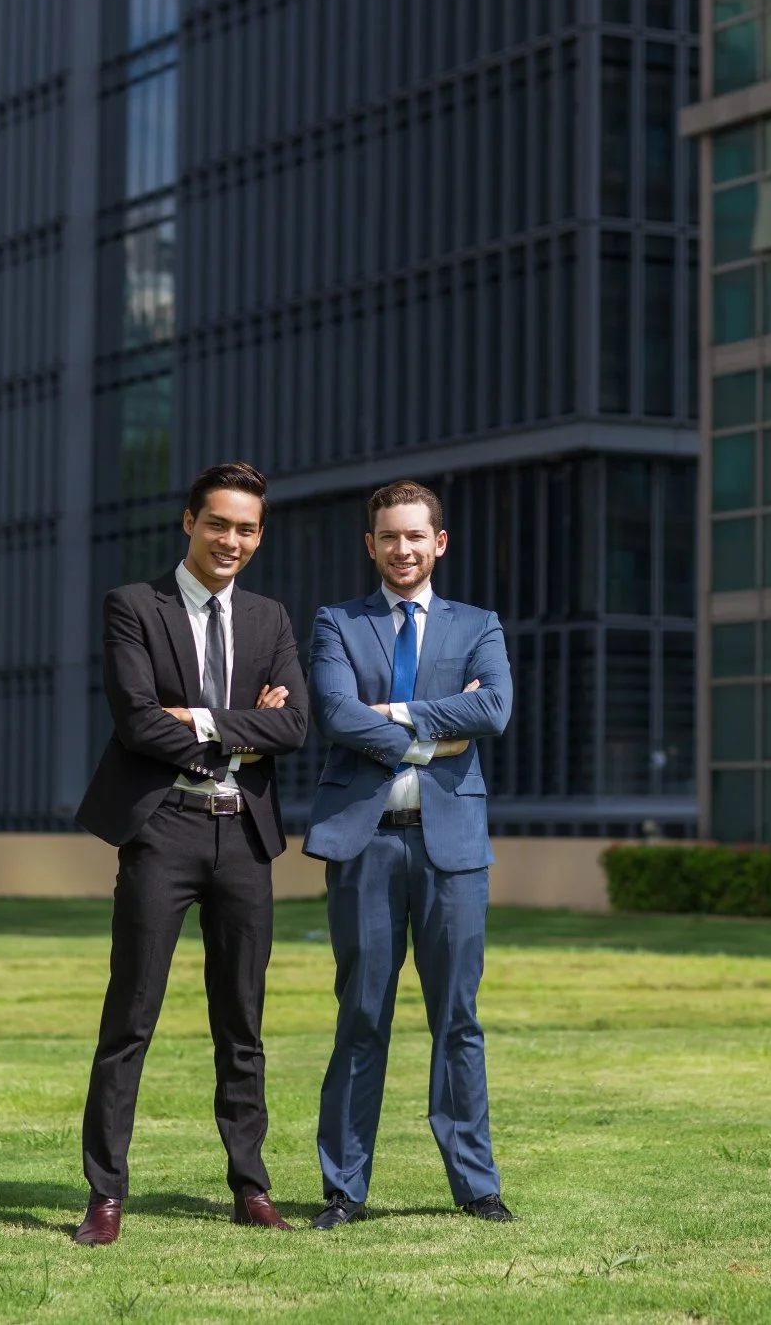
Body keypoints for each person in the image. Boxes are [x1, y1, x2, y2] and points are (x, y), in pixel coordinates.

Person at [72, 462, 307, 1245]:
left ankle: (251, 1186)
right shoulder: (135, 606)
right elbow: (138, 721)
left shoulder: (272, 620)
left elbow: (296, 726)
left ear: (258, 536)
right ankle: (106, 1196)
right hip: (163, 829)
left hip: (244, 836)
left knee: (241, 1023)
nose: (231, 540)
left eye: (246, 529)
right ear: (189, 523)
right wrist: (242, 724)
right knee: (130, 1018)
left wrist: (202, 721)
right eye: (219, 524)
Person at [304, 479, 514, 1228]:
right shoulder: (337, 623)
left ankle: (476, 1184)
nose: (402, 550)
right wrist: (433, 735)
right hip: (364, 847)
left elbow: (495, 708)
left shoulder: (477, 626)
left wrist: (390, 714)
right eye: (389, 537)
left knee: (457, 1018)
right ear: (372, 545)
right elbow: (333, 711)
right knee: (361, 1016)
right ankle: (344, 1190)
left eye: (415, 536)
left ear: (439, 543)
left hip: (451, 849)